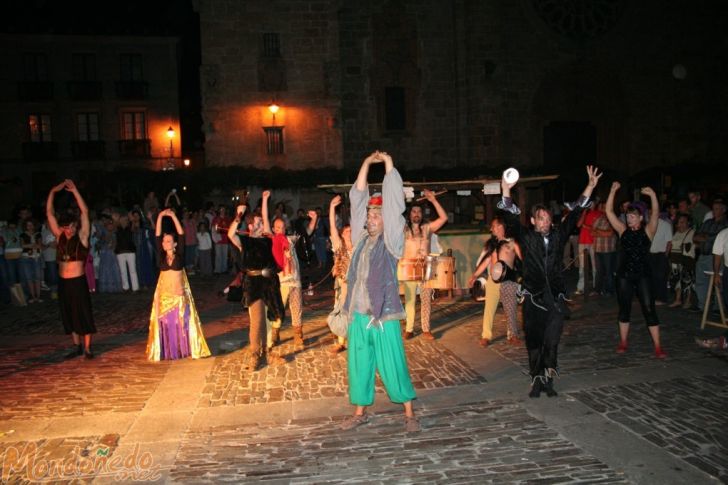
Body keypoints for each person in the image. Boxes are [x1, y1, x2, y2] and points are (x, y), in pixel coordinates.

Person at [499, 165, 602, 398]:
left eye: (547, 218)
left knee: (552, 340)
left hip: (555, 298)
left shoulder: (558, 236)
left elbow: (575, 214)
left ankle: (548, 378)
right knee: (534, 341)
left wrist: (590, 186)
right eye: (541, 219)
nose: (545, 222)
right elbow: (511, 219)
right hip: (533, 297)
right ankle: (536, 380)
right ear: (534, 222)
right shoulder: (526, 238)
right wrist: (506, 190)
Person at [339, 151, 419, 433]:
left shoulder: (393, 241)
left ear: (386, 220)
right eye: (370, 215)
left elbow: (396, 202)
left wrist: (387, 165)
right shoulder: (361, 239)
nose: (371, 219)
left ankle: (409, 413)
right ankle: (360, 411)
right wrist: (365, 164)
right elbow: (357, 199)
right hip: (359, 315)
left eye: (376, 215)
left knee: (392, 363)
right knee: (359, 365)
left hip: (383, 316)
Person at [605, 182, 667, 360]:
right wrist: (612, 191)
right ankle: (623, 342)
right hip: (624, 275)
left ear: (640, 218)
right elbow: (609, 212)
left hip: (643, 275)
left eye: (633, 216)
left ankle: (658, 346)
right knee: (624, 308)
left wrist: (653, 195)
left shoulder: (648, 231)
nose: (629, 218)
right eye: (628, 215)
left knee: (649, 308)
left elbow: (655, 213)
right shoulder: (622, 230)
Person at [227, 193, 286, 371]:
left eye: (262, 223)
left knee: (271, 319)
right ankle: (255, 355)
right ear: (251, 226)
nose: (261, 226)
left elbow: (272, 238)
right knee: (257, 320)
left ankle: (266, 352)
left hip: (268, 283)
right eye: (258, 224)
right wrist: (238, 216)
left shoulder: (266, 241)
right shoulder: (244, 241)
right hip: (253, 284)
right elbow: (231, 234)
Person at [146, 209, 210, 361]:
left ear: (174, 244)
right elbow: (156, 235)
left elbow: (181, 235)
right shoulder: (161, 255)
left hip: (178, 295)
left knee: (180, 324)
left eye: (168, 241)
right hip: (164, 296)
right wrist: (160, 216)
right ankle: (167, 351)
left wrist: (174, 216)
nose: (165, 243)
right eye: (164, 241)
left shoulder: (179, 255)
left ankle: (182, 349)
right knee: (166, 325)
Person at [46, 180, 96, 359]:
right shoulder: (59, 237)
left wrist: (75, 191)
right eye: (66, 227)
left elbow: (85, 212)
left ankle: (88, 348)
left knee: (82, 312)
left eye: (71, 227)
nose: (68, 230)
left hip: (78, 281)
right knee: (68, 312)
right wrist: (53, 191)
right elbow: (49, 213)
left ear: (76, 227)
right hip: (64, 282)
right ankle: (77, 346)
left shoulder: (82, 237)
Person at [467, 216, 523, 346]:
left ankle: (513, 335)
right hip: (493, 281)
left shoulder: (512, 243)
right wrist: (474, 275)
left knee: (511, 308)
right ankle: (486, 336)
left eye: (495, 226)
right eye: (493, 226)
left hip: (508, 281)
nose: (493, 229)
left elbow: (522, 259)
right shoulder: (492, 245)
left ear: (502, 226)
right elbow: (486, 261)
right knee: (489, 309)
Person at [400, 190, 448, 340]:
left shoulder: (427, 229)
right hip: (409, 267)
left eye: (419, 211)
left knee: (426, 299)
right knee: (410, 300)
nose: (416, 214)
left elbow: (444, 218)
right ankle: (409, 328)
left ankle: (426, 329)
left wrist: (433, 200)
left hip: (427, 267)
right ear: (409, 214)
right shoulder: (403, 230)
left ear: (422, 215)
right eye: (413, 211)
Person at [267, 191, 307, 350]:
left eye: (282, 227)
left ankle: (298, 335)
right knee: (278, 308)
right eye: (277, 227)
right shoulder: (271, 240)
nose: (280, 229)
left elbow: (308, 232)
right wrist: (264, 201)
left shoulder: (290, 239)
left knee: (297, 308)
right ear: (273, 228)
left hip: (295, 280)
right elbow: (264, 222)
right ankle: (275, 333)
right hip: (282, 281)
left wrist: (314, 220)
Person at [329, 194, 353, 353]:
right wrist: (332, 208)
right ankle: (341, 342)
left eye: (350, 231)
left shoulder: (359, 246)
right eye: (345, 231)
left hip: (358, 286)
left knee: (357, 313)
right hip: (344, 285)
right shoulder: (340, 246)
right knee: (342, 310)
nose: (348, 233)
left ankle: (356, 339)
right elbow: (332, 228)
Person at [668, 213, 695, 308]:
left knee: (687, 281)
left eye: (683, 222)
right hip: (675, 260)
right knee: (676, 281)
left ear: (688, 223)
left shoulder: (692, 232)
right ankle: (678, 300)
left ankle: (688, 301)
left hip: (686, 260)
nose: (681, 224)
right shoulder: (675, 233)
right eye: (679, 222)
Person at [19, 219, 43, 303]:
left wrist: (29, 245)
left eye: (31, 224)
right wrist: (32, 245)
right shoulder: (22, 235)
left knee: (37, 278)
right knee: (29, 278)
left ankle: (38, 296)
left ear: (34, 225)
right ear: (25, 226)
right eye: (28, 225)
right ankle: (33, 297)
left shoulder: (38, 234)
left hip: (36, 257)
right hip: (26, 258)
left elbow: (40, 245)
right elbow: (22, 245)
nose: (30, 227)